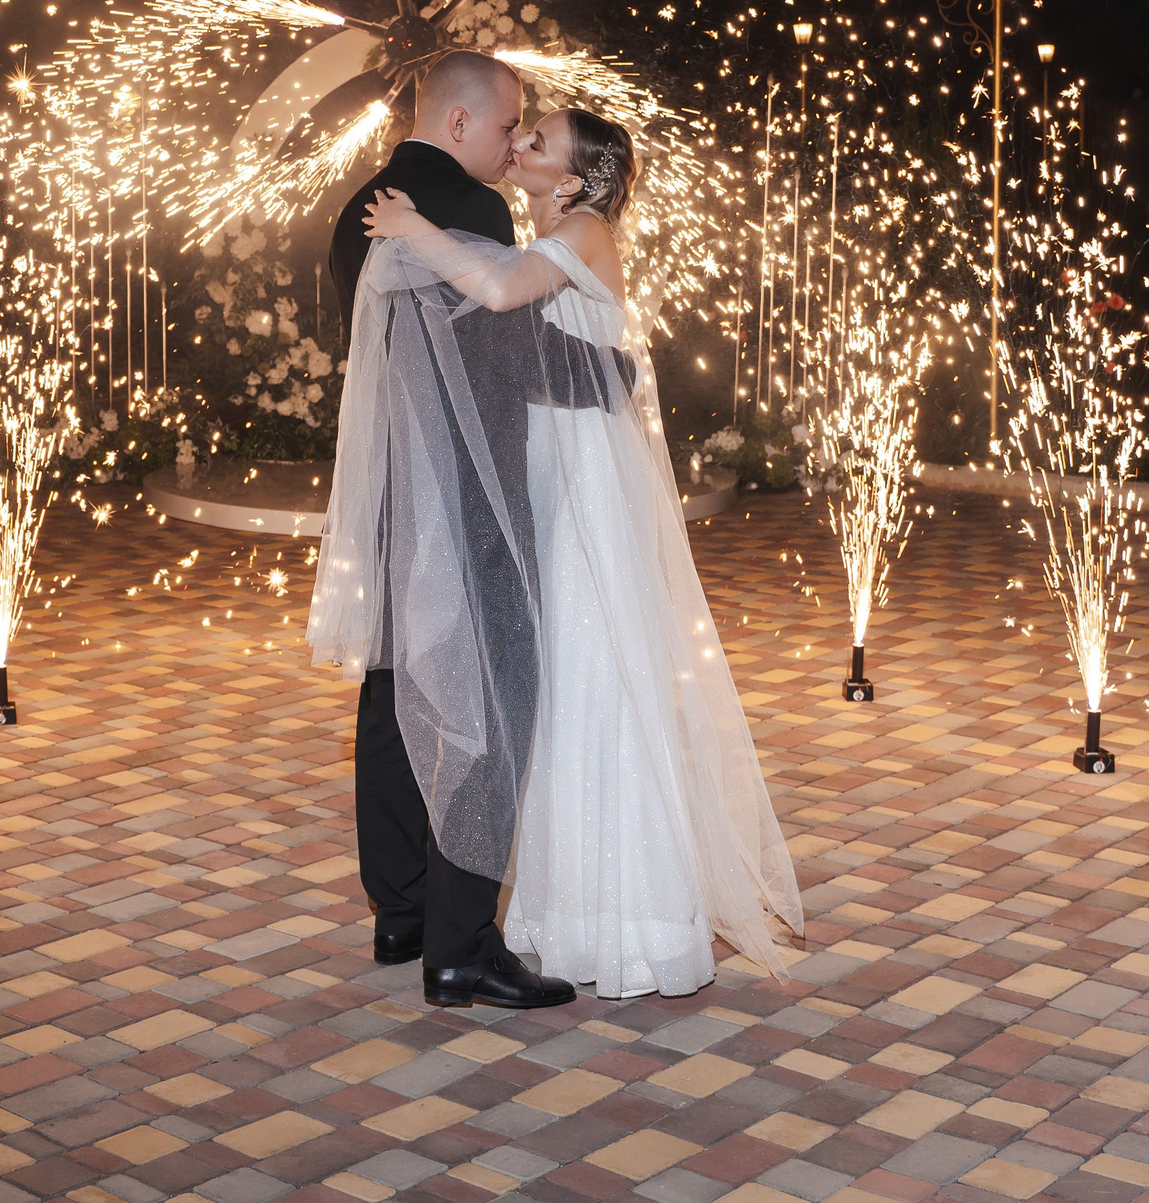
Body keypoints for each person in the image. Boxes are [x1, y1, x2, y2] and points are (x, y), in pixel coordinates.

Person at [357, 105, 803, 997]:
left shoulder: (585, 230)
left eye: (538, 140)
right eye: (520, 131)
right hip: (549, 467)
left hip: (585, 480)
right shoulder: (554, 232)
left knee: (597, 671)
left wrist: (412, 229)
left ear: (572, 177)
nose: (519, 143)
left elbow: (499, 292)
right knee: (556, 688)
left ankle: (633, 922)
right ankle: (568, 915)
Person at [314, 52, 629, 1010]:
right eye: (506, 126)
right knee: (485, 698)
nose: (511, 143)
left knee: (394, 688)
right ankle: (461, 945)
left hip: (391, 488)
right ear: (459, 124)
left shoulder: (357, 209)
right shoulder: (473, 209)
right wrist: (613, 376)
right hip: (469, 493)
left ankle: (401, 910)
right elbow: (502, 355)